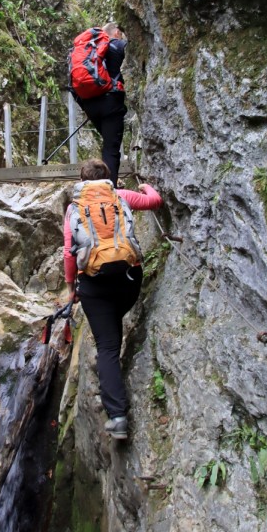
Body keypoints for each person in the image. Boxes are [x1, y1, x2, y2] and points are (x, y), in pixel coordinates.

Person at [63, 158, 163, 441]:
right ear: (107, 177)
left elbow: (68, 252)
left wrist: (71, 287)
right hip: (128, 280)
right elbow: (154, 201)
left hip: (94, 286)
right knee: (113, 325)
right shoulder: (120, 196)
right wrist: (145, 185)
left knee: (107, 347)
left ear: (82, 180)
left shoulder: (74, 207)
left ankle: (118, 417)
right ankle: (113, 333)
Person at [77, 22, 127, 187]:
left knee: (107, 143)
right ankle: (107, 189)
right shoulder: (116, 45)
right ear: (117, 32)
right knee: (111, 149)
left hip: (90, 104)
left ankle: (96, 183)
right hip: (110, 103)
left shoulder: (86, 51)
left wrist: (85, 106)